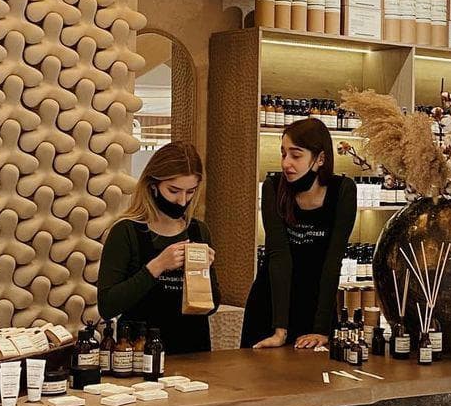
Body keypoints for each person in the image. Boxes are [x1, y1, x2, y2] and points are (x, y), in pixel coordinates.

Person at [242, 117, 357, 351]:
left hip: (316, 307)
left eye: (295, 155)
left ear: (320, 159)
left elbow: (333, 261)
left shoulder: (343, 191)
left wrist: (321, 328)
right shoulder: (273, 187)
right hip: (272, 304)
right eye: (283, 154)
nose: (286, 163)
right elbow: (279, 257)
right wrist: (280, 330)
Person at [97, 142, 219, 355]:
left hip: (193, 352)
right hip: (140, 354)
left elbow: (213, 305)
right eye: (173, 191)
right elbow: (107, 306)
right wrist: (156, 267)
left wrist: (202, 274)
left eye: (190, 192)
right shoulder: (126, 232)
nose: (182, 201)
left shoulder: (198, 231)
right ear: (153, 185)